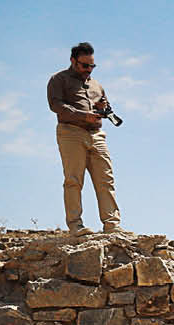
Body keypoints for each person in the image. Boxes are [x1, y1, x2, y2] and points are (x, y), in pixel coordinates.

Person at [46, 42, 121, 234]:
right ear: (73, 61)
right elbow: (56, 105)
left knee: (106, 179)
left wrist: (102, 109)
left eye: (92, 66)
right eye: (84, 65)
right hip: (70, 132)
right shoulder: (58, 79)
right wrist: (82, 115)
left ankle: (112, 225)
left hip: (96, 135)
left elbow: (104, 108)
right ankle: (76, 226)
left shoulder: (97, 85)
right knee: (73, 180)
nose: (88, 70)